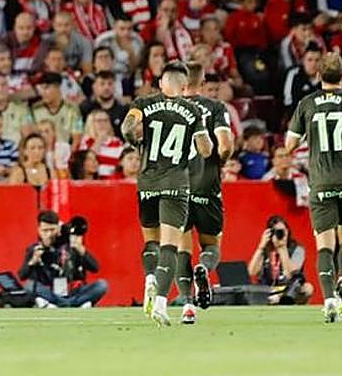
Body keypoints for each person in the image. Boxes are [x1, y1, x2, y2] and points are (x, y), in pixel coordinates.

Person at [284, 51, 342, 322]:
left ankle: (328, 301)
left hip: (322, 182)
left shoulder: (307, 104)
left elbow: (289, 145)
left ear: (317, 76)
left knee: (324, 245)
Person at [121, 61, 212, 326]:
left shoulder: (144, 104)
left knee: (150, 240)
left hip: (147, 181)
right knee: (170, 246)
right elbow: (205, 150)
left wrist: (137, 144)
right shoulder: (193, 110)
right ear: (184, 86)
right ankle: (161, 302)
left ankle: (150, 277)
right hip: (176, 182)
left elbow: (127, 128)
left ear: (162, 83)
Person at [177, 63, 235, 322]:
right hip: (207, 185)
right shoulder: (216, 108)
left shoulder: (171, 109)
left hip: (177, 187)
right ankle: (205, 266)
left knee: (181, 248)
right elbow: (225, 145)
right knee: (211, 245)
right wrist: (218, 163)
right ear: (202, 83)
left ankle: (187, 305)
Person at [17, 211, 108, 308]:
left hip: (72, 291)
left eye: (52, 230)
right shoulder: (35, 249)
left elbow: (95, 268)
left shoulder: (70, 245)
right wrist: (33, 261)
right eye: (45, 230)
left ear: (58, 229)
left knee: (102, 285)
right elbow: (22, 276)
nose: (49, 234)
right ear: (39, 230)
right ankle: (74, 304)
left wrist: (81, 249)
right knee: (29, 286)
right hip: (51, 293)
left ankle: (59, 304)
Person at [248, 215, 314, 304]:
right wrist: (261, 247)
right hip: (267, 288)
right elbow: (252, 272)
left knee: (308, 288)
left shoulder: (297, 249)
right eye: (277, 231)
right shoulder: (266, 249)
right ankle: (273, 299)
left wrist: (282, 249)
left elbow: (291, 274)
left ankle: (282, 300)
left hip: (288, 289)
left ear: (288, 231)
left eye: (283, 231)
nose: (281, 234)